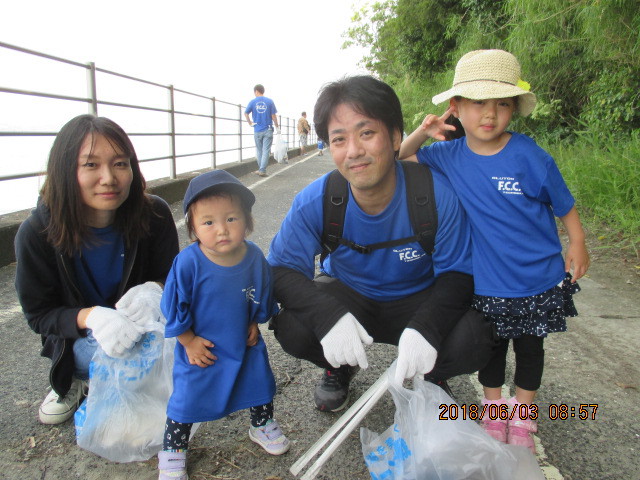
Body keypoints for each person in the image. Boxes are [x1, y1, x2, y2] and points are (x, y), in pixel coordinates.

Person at [267, 75, 497, 413]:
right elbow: (281, 270)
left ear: (394, 136)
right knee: (293, 327)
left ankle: (430, 371)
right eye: (339, 139)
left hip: (418, 298)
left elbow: (459, 274)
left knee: (478, 336)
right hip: (351, 296)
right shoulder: (317, 200)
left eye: (367, 133)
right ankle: (340, 364)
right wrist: (328, 317)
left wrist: (427, 329)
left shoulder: (435, 195)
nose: (354, 151)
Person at [399, 49, 590, 453]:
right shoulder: (448, 155)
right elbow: (402, 157)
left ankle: (523, 414)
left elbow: (564, 204)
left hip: (537, 277)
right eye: (478, 103)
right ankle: (494, 409)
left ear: (514, 110)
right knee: (492, 348)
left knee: (530, 348)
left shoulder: (529, 156)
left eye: (502, 104)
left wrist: (577, 242)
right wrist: (423, 130)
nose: (490, 114)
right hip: (488, 280)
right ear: (457, 109)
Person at [14, 114, 179, 425]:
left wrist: (153, 291)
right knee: (106, 355)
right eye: (90, 165)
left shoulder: (154, 214)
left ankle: (129, 381)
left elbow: (172, 277)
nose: (109, 178)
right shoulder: (37, 232)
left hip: (143, 326)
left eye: (120, 163)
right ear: (65, 171)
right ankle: (75, 378)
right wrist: (91, 316)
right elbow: (39, 314)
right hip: (83, 339)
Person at [157, 170, 289, 480]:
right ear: (193, 228)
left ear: (247, 220)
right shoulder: (188, 263)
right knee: (186, 398)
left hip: (242, 341)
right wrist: (188, 340)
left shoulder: (255, 258)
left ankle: (261, 424)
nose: (222, 230)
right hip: (203, 346)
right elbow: (174, 306)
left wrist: (256, 322)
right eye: (208, 222)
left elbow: (261, 293)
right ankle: (174, 449)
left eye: (231, 218)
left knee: (259, 382)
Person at [244, 84, 279, 177]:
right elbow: (273, 116)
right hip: (268, 129)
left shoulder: (252, 102)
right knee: (266, 150)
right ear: (263, 91)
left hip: (257, 130)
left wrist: (250, 123)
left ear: (256, 91)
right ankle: (262, 170)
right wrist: (277, 127)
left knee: (259, 150)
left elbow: (246, 113)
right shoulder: (270, 101)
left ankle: (261, 169)